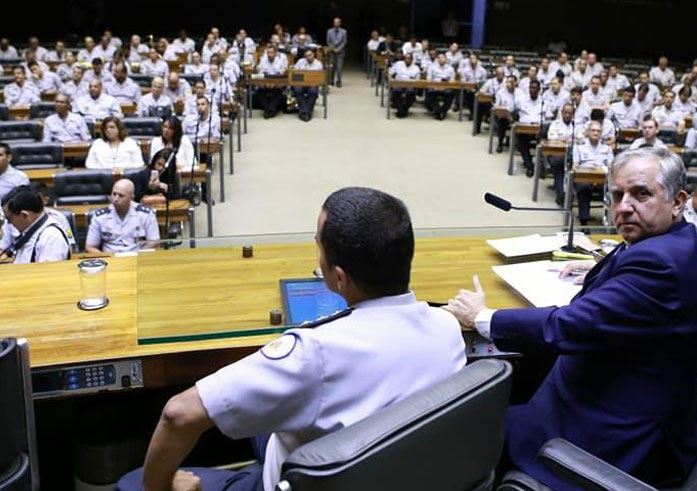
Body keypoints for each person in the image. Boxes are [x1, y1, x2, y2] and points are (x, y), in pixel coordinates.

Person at [116, 187, 466, 491]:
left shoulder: (312, 355)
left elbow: (178, 414)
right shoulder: (448, 328)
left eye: (318, 245)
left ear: (339, 278)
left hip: (298, 481)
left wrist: (156, 486)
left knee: (131, 484)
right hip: (393, 474)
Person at [446, 147, 697, 490]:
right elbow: (644, 274)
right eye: (617, 195)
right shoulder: (678, 239)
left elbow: (564, 327)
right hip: (627, 393)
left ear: (677, 201)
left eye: (641, 194)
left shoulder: (659, 266)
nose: (624, 206)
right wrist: (604, 265)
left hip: (609, 431)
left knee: (467, 430)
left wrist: (483, 317)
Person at [85, 178, 160, 253]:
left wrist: (139, 256)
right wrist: (106, 259)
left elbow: (154, 243)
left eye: (121, 195)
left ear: (131, 197)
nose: (116, 199)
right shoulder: (100, 216)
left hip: (137, 258)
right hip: (111, 258)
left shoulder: (145, 214)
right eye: (114, 194)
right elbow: (90, 247)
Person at [1, 186, 70, 264]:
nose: (9, 223)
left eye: (10, 219)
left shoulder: (51, 237)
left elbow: (46, 274)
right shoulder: (29, 231)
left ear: (24, 215)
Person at [571, 121, 614, 227]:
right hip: (584, 178)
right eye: (593, 130)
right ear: (587, 132)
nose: (595, 133)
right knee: (584, 187)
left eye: (598, 131)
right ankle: (584, 221)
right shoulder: (579, 146)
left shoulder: (607, 147)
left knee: (611, 189)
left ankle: (610, 221)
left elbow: (610, 166)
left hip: (602, 179)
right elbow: (575, 165)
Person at [547, 103, 575, 205]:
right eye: (565, 113)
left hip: (572, 155)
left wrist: (564, 140)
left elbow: (581, 139)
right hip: (556, 154)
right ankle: (561, 195)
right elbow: (552, 139)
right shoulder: (555, 124)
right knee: (560, 165)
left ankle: (568, 194)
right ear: (562, 113)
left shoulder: (576, 126)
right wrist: (566, 140)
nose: (567, 115)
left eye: (570, 113)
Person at [514, 81, 543, 178]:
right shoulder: (522, 100)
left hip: (539, 130)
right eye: (530, 88)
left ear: (539, 90)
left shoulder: (544, 102)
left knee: (543, 142)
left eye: (534, 88)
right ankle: (529, 166)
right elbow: (515, 113)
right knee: (521, 141)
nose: (532, 90)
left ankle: (541, 167)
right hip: (524, 129)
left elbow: (548, 117)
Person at [255, 45, 288, 119]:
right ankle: (269, 110)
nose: (269, 55)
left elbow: (283, 73)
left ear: (275, 53)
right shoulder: (263, 59)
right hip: (265, 82)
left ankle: (270, 110)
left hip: (277, 82)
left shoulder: (280, 60)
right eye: (268, 53)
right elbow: (260, 72)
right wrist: (266, 83)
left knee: (279, 90)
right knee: (259, 90)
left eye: (271, 53)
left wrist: (275, 83)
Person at [293, 48, 324, 122]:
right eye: (306, 56)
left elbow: (319, 78)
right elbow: (295, 73)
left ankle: (305, 112)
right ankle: (306, 112)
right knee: (297, 90)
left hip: (313, 84)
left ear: (313, 55)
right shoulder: (300, 62)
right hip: (301, 83)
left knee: (313, 92)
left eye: (310, 55)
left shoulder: (318, 64)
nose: (308, 57)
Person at [426, 53, 456, 120]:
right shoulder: (432, 67)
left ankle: (442, 111)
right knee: (430, 92)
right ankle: (438, 111)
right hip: (434, 86)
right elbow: (429, 79)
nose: (441, 59)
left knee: (450, 93)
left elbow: (452, 81)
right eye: (439, 58)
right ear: (437, 59)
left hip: (446, 87)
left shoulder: (450, 69)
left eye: (442, 57)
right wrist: (435, 87)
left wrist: (445, 87)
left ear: (446, 59)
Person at [389, 53, 421, 118]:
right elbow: (390, 74)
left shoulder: (416, 68)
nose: (407, 60)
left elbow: (417, 80)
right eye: (406, 58)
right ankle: (402, 111)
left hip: (410, 85)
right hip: (398, 84)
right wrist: (392, 81)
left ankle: (402, 110)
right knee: (396, 92)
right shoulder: (398, 64)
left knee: (411, 93)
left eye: (409, 58)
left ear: (412, 60)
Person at [326, 17, 347, 87]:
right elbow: (328, 42)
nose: (336, 23)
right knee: (332, 67)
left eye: (338, 22)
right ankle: (331, 80)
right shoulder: (329, 31)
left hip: (340, 52)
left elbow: (344, 42)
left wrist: (338, 49)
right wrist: (333, 49)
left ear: (340, 23)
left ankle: (339, 81)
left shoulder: (344, 31)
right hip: (332, 52)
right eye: (335, 22)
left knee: (339, 67)